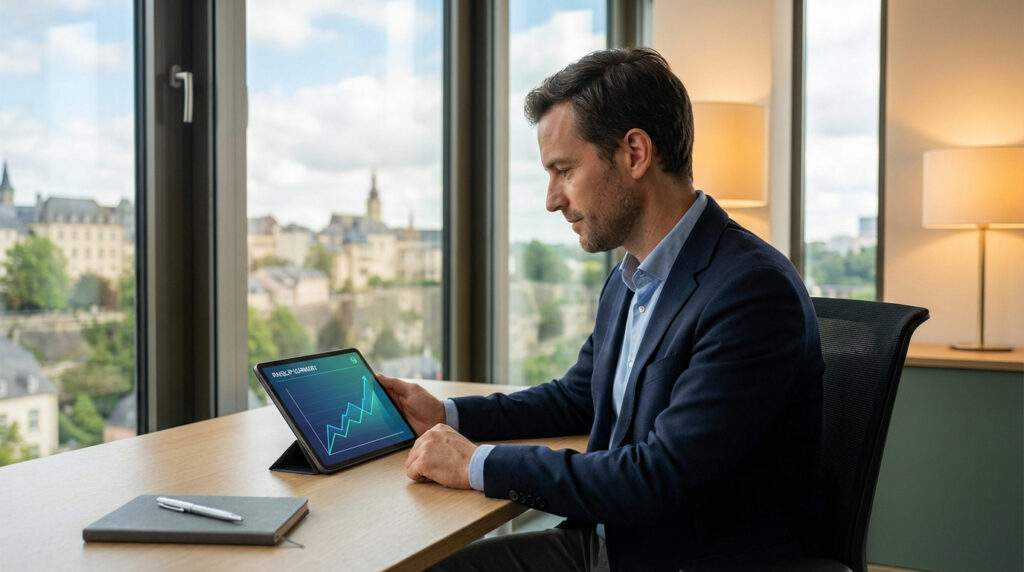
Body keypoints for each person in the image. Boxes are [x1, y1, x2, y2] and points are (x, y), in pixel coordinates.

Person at [378, 46, 824, 571]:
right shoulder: (630, 277)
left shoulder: (750, 292)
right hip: (609, 544)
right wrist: (448, 414)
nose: (551, 199)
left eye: (563, 170)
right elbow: (578, 398)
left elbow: (660, 478)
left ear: (635, 153)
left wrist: (478, 463)